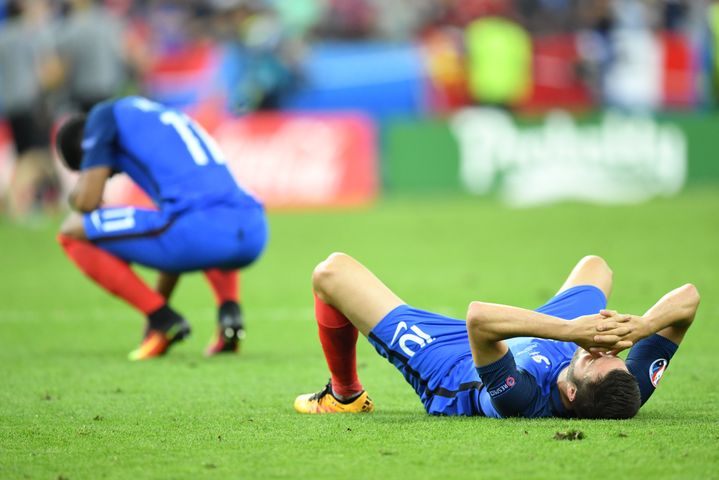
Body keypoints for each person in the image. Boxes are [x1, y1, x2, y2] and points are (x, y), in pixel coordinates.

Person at [294, 253, 699, 419]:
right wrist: (643, 327)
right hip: (548, 336)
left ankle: (344, 395)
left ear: (571, 394)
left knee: (331, 273)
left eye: (594, 358)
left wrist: (573, 330)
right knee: (596, 267)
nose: (598, 350)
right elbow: (689, 300)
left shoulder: (519, 400)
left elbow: (480, 320)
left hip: (453, 361)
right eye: (613, 354)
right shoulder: (625, 390)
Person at [54, 96, 268, 360]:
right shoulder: (151, 115)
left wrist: (79, 192)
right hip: (253, 227)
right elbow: (168, 230)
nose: (113, 174)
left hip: (201, 232)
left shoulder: (102, 118)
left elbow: (87, 202)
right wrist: (159, 304)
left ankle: (163, 320)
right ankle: (229, 315)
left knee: (71, 231)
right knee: (182, 221)